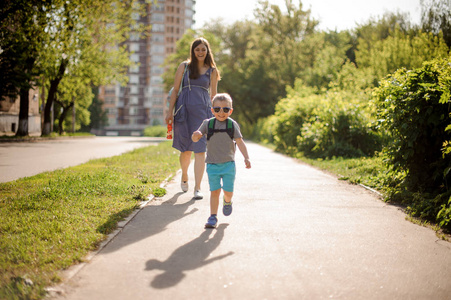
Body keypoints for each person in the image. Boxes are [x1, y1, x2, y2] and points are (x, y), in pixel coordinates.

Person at [165, 37, 220, 200]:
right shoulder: (184, 66)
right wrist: (169, 112)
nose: (200, 52)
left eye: (203, 49)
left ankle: (198, 188)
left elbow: (214, 95)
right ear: (193, 51)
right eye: (197, 49)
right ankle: (184, 175)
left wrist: (218, 115)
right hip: (184, 111)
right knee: (186, 150)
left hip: (203, 113)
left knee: (201, 150)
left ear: (207, 51)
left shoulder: (212, 70)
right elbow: (175, 90)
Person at [192, 93, 251, 228]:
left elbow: (240, 142)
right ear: (212, 110)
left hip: (229, 165)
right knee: (214, 191)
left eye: (225, 109)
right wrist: (196, 136)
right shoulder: (207, 124)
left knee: (228, 192)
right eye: (217, 109)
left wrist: (246, 157)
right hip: (212, 165)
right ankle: (213, 217)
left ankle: (227, 201)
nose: (221, 112)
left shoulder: (232, 124)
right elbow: (195, 138)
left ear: (230, 111)